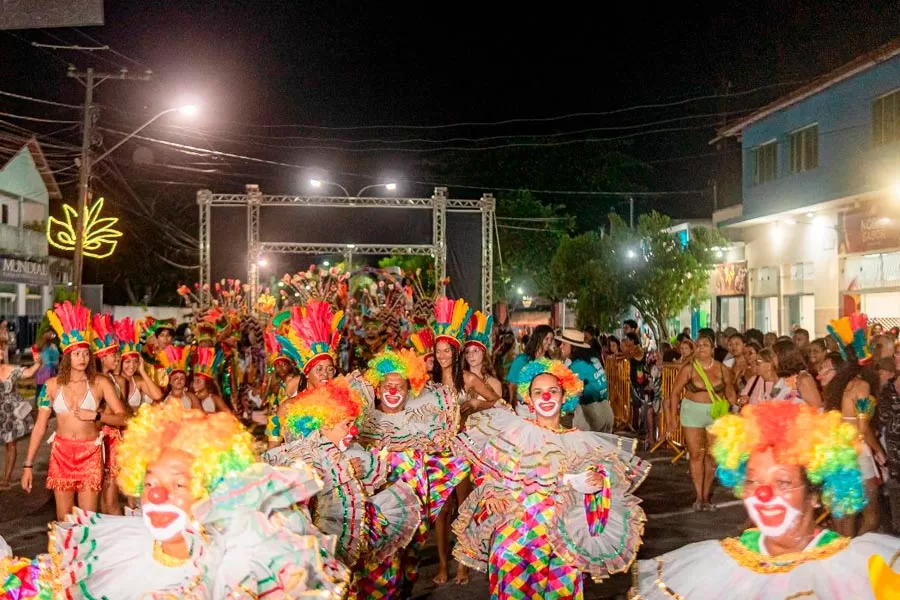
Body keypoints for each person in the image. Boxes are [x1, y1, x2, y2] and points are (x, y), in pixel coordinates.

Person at [6, 401, 349, 598]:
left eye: (179, 485)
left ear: (213, 491)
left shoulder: (234, 571)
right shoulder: (118, 551)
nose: (156, 495)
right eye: (151, 481)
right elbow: (37, 584)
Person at [630, 401, 900, 599]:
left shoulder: (855, 567)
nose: (763, 495)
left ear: (815, 494)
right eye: (753, 481)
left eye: (782, 482)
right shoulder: (719, 564)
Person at [452, 358, 649, 599]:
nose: (546, 397)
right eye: (539, 392)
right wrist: (492, 490)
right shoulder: (515, 431)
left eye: (552, 391)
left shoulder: (581, 441)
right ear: (529, 399)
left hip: (563, 542)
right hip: (518, 539)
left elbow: (603, 478)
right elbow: (486, 468)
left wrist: (597, 483)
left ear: (564, 396)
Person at [264, 376, 421, 597]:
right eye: (346, 424)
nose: (353, 430)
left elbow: (360, 491)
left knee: (381, 575)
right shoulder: (305, 454)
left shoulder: (349, 449)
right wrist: (341, 475)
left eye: (353, 424)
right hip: (319, 538)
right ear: (327, 424)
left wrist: (355, 477)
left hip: (351, 529)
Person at [357, 348, 465, 596]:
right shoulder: (366, 424)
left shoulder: (419, 422)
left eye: (400, 386)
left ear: (408, 391)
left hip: (415, 496)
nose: (393, 391)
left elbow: (443, 446)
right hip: (380, 506)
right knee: (384, 557)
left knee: (410, 555)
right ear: (377, 390)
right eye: (387, 385)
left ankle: (404, 589)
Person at [20, 302, 127, 521]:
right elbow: (40, 427)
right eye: (77, 354)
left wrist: (96, 416)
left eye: (86, 354)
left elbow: (123, 417)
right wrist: (28, 464)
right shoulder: (51, 386)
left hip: (90, 453)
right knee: (64, 521)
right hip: (61, 454)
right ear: (68, 356)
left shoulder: (100, 383)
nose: (83, 358)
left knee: (88, 520)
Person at [430, 297, 500, 585]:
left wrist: (473, 405)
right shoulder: (430, 382)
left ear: (455, 351)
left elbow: (495, 399)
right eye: (438, 351)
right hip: (437, 451)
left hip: (461, 449)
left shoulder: (468, 379)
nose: (442, 355)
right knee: (441, 511)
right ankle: (443, 566)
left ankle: (461, 565)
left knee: (463, 506)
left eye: (447, 351)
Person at [823, 316, 886, 536]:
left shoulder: (839, 385)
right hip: (855, 450)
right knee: (872, 513)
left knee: (842, 510)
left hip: (836, 449)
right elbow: (862, 428)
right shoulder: (862, 385)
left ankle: (842, 553)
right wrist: (879, 452)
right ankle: (852, 553)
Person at [666, 332, 738, 511]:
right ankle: (699, 496)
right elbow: (674, 393)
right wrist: (672, 418)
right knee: (696, 455)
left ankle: (706, 496)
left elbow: (729, 391)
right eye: (698, 345)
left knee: (712, 457)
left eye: (705, 345)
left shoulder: (722, 369)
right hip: (692, 413)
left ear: (712, 348)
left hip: (716, 414)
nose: (701, 348)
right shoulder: (688, 368)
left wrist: (735, 402)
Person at [270, 301, 343, 448]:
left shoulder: (340, 404)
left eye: (330, 369)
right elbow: (272, 449)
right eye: (319, 369)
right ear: (307, 373)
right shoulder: (288, 407)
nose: (326, 375)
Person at [0, 344, 42, 489]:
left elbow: (29, 373)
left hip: (9, 415)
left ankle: (6, 478)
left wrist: (37, 362)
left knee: (10, 444)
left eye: (1, 349)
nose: (1, 351)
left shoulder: (9, 369)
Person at [557, 329, 612, 432]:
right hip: (606, 413)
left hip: (590, 419)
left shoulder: (576, 368)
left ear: (573, 347)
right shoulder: (593, 360)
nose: (560, 347)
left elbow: (569, 401)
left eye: (564, 344)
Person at [462, 310, 505, 417]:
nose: (471, 355)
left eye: (475, 351)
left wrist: (479, 404)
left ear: (484, 353)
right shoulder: (458, 379)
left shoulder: (494, 383)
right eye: (467, 351)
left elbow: (500, 412)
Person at [505, 324, 554, 407]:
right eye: (547, 339)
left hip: (543, 407)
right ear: (538, 338)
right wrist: (510, 406)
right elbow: (511, 385)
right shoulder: (521, 360)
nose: (549, 342)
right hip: (524, 408)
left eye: (551, 339)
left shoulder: (550, 363)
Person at [878, 356, 900, 534]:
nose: (897, 357)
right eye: (897, 353)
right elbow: (882, 419)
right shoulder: (888, 388)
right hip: (894, 462)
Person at [769, 339, 823, 409]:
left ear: (783, 357)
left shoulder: (804, 379)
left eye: (773, 355)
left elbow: (818, 408)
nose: (771, 359)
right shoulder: (782, 380)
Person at [157, 345, 196, 409]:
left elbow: (200, 414)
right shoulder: (163, 398)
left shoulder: (191, 397)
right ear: (169, 381)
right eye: (176, 378)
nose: (179, 380)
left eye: (182, 378)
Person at [33, 328, 59, 401]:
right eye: (50, 334)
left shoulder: (53, 346)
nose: (51, 336)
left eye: (53, 334)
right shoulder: (39, 345)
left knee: (49, 389)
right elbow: (36, 357)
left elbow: (56, 359)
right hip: (42, 370)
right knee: (42, 389)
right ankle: (40, 407)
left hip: (50, 370)